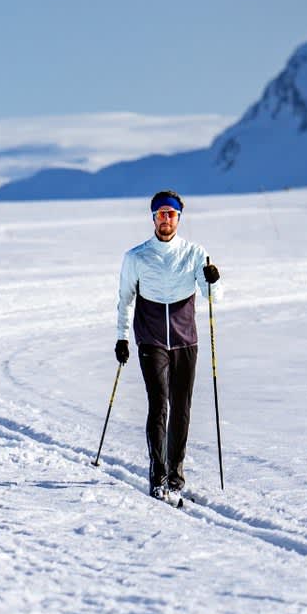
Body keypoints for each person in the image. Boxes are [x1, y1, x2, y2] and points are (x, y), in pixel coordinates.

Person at [114, 189, 220, 504]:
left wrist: (214, 280)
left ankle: (175, 475)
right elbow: (125, 298)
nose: (165, 219)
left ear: (179, 218)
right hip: (151, 337)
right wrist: (121, 336)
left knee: (181, 408)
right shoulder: (136, 257)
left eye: (171, 214)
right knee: (159, 404)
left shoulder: (195, 253)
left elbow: (212, 297)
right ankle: (158, 476)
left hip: (186, 339)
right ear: (153, 218)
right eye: (160, 213)